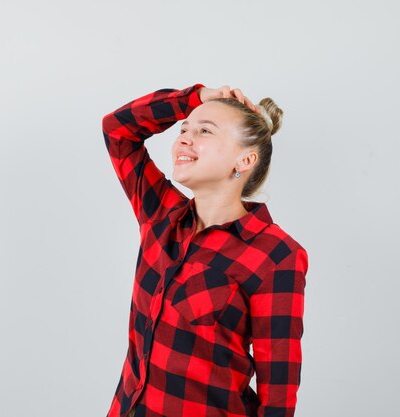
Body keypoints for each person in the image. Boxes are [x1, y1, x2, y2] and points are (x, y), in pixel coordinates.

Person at [102, 83, 309, 417]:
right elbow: (118, 130)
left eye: (204, 131)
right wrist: (192, 99)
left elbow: (279, 396)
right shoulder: (160, 216)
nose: (184, 137)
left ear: (245, 159)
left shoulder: (275, 256)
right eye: (184, 128)